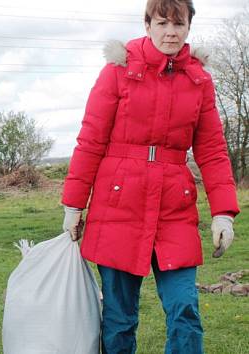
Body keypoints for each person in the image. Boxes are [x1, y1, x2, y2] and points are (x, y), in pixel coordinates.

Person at [61, 1, 239, 353]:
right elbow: (91, 139)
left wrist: (223, 213)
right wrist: (73, 206)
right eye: (162, 23)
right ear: (148, 25)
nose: (171, 31)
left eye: (179, 23)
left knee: (185, 309)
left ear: (189, 27)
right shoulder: (117, 70)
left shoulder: (199, 80)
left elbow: (213, 150)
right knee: (119, 318)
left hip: (175, 208)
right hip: (118, 206)